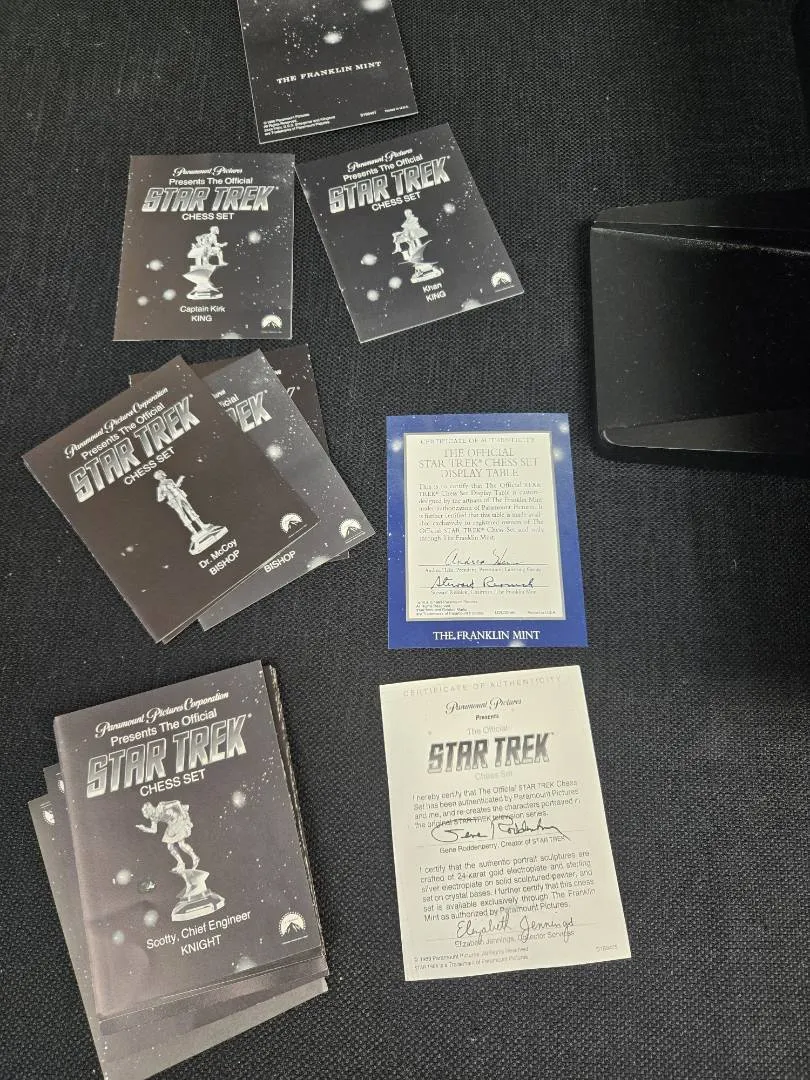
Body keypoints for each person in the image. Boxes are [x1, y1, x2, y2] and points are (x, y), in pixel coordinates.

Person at [136, 800, 199, 873]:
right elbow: (154, 830)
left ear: (151, 809)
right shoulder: (154, 817)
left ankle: (195, 858)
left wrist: (183, 814)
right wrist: (144, 828)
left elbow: (177, 803)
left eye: (148, 813)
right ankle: (181, 863)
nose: (150, 815)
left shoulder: (161, 806)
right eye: (148, 814)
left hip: (179, 819)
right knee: (170, 847)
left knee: (181, 845)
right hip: (172, 825)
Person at [154, 470, 204, 535]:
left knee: (190, 510)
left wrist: (180, 480)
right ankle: (194, 532)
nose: (163, 473)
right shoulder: (160, 487)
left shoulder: (170, 480)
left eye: (162, 472)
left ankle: (202, 525)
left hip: (180, 496)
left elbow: (176, 486)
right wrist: (164, 494)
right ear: (159, 476)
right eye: (161, 473)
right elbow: (159, 499)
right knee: (183, 515)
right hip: (174, 500)